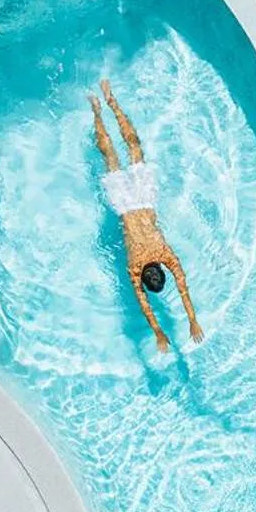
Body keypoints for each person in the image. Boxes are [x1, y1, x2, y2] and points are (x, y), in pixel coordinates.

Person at [90, 79, 202, 352]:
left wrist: (192, 319)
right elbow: (145, 306)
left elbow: (183, 290)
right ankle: (96, 108)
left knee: (134, 147)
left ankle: (110, 101)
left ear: (162, 270)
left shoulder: (166, 255)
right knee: (110, 155)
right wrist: (159, 332)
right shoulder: (135, 268)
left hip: (144, 200)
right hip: (125, 206)